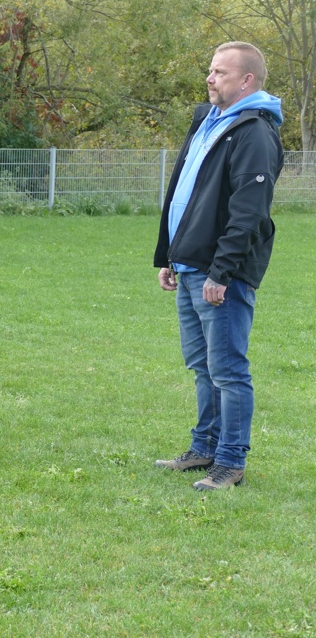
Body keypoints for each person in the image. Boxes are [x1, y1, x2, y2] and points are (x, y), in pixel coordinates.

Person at [153, 42, 283, 490]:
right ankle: (204, 447)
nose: (209, 79)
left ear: (246, 80)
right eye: (210, 70)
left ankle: (230, 462)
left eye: (219, 72)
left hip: (219, 275)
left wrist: (221, 272)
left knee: (228, 370)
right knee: (203, 366)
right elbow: (185, 195)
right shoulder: (210, 121)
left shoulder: (254, 132)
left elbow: (249, 213)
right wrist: (170, 256)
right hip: (190, 265)